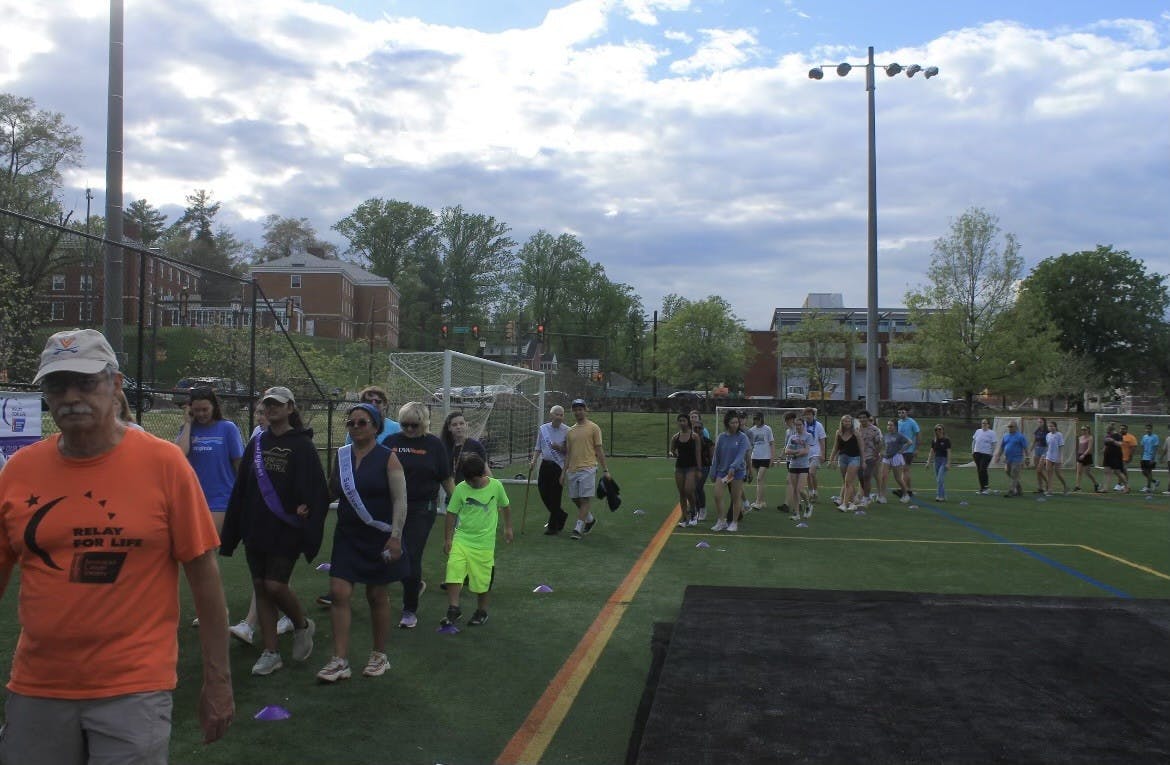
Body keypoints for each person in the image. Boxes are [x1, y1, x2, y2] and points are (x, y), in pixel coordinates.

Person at [0, 328, 233, 762]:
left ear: (116, 385)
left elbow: (204, 577)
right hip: (38, 685)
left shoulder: (164, 464)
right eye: (57, 384)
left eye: (86, 382)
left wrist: (217, 680)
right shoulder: (19, 471)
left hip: (134, 686)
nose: (71, 396)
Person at [221, 386, 329, 676]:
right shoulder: (257, 442)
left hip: (286, 527)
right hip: (256, 526)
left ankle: (302, 624)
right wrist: (234, 529)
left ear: (290, 408)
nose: (271, 409)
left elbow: (316, 489)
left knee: (275, 585)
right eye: (267, 405)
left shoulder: (303, 445)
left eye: (277, 405)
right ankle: (271, 652)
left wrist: (306, 508)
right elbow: (242, 488)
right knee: (260, 587)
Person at [315, 403, 408, 683]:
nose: (355, 427)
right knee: (339, 592)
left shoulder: (388, 458)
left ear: (376, 427)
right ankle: (339, 659)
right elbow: (332, 489)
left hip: (378, 536)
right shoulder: (342, 456)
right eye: (351, 423)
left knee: (376, 595)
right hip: (348, 534)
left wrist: (396, 537)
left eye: (362, 422)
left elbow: (400, 499)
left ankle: (379, 655)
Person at [384, 401, 455, 628]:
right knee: (386, 553)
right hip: (391, 506)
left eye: (414, 425)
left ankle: (409, 609)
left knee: (411, 555)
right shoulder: (391, 442)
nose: (409, 430)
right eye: (404, 425)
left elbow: (446, 477)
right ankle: (386, 595)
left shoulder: (434, 445)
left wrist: (456, 501)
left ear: (424, 423)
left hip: (421, 508)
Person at [440, 453, 513, 628]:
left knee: (482, 582)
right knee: (453, 569)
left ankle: (481, 611)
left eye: (474, 480)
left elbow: (506, 506)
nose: (472, 484)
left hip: (484, 544)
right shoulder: (461, 488)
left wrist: (508, 527)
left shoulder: (496, 486)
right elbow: (451, 514)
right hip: (462, 539)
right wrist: (448, 539)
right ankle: (453, 608)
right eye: (469, 481)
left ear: (483, 474)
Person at [176, 388, 245, 535]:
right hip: (192, 497)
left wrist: (243, 495)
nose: (201, 414)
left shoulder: (228, 428)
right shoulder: (187, 429)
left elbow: (239, 464)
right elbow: (179, 455)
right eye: (196, 410)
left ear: (214, 407)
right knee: (189, 550)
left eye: (205, 409)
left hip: (220, 499)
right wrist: (188, 424)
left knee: (205, 545)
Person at [563, 399, 612, 541]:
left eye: (580, 409)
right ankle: (590, 519)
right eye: (575, 409)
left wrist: (605, 469)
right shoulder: (570, 431)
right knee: (574, 498)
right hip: (572, 469)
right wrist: (563, 473)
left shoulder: (594, 428)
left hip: (589, 468)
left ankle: (578, 528)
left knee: (585, 499)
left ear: (586, 410)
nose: (578, 412)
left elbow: (599, 449)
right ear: (573, 411)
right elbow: (568, 453)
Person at [529, 405, 569, 535]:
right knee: (543, 491)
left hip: (558, 467)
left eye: (561, 415)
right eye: (556, 414)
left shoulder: (567, 431)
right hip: (545, 465)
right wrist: (534, 461)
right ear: (551, 415)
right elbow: (538, 447)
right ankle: (561, 514)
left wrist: (560, 448)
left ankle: (553, 527)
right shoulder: (543, 429)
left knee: (555, 496)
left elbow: (569, 452)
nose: (559, 417)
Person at [708, 410, 750, 532]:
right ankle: (721, 521)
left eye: (737, 422)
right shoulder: (721, 437)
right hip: (722, 472)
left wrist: (733, 467)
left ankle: (734, 522)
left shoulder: (742, 437)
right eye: (732, 422)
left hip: (737, 472)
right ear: (727, 423)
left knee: (735, 498)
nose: (735, 425)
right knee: (717, 495)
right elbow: (717, 455)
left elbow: (741, 454)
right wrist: (713, 471)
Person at [669, 413, 703, 527]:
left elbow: (698, 453)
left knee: (689, 490)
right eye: (679, 421)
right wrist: (673, 453)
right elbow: (672, 450)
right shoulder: (675, 437)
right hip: (679, 467)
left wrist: (699, 469)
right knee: (682, 493)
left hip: (691, 467)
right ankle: (684, 518)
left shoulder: (694, 436)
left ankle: (693, 512)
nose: (681, 423)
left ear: (688, 422)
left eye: (683, 420)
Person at [440, 410, 488, 486]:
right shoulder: (444, 447)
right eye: (454, 425)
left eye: (461, 423)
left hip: (472, 491)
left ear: (466, 425)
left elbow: (486, 473)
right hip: (452, 492)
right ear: (449, 428)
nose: (458, 427)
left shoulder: (476, 446)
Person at [782, 416, 816, 521]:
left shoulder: (808, 436)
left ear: (803, 425)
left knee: (800, 489)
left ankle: (808, 505)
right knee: (795, 491)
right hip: (793, 465)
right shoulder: (792, 437)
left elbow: (806, 451)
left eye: (799, 425)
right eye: (796, 425)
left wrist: (794, 453)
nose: (797, 427)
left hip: (803, 466)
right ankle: (796, 513)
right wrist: (796, 453)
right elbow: (786, 451)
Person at [827, 414, 863, 512]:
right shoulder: (838, 433)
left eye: (849, 421)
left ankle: (844, 504)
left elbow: (861, 448)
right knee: (846, 482)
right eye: (845, 421)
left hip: (854, 458)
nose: (847, 423)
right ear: (842, 422)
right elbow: (835, 447)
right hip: (843, 458)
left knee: (848, 482)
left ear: (851, 422)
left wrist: (863, 462)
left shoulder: (856, 433)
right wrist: (831, 460)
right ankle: (853, 501)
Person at [746, 411, 775, 510]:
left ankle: (758, 502)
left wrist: (772, 458)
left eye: (758, 419)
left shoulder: (767, 429)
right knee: (760, 480)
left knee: (759, 478)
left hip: (765, 457)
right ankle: (762, 501)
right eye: (755, 419)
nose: (756, 421)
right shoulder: (751, 430)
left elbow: (771, 443)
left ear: (761, 419)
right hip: (755, 457)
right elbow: (750, 446)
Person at [879, 420, 912, 504]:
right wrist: (881, 452)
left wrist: (902, 450)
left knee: (897, 478)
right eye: (888, 425)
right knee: (883, 477)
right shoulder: (886, 435)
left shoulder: (899, 435)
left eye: (891, 425)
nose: (889, 427)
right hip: (886, 458)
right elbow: (883, 446)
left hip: (896, 457)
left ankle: (905, 494)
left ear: (895, 426)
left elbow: (909, 442)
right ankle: (882, 497)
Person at [995, 420, 1030, 497]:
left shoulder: (1020, 436)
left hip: (1017, 459)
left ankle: (1011, 490)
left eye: (1011, 426)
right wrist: (998, 456)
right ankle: (1019, 489)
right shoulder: (1005, 436)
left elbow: (1026, 448)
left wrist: (1027, 458)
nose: (1009, 428)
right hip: (1008, 459)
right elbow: (1001, 447)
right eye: (1009, 426)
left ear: (1015, 427)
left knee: (1014, 474)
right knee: (1008, 472)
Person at [688, 410, 712, 521]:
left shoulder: (707, 441)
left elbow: (712, 456)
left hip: (704, 467)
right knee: (692, 489)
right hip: (692, 466)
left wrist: (713, 468)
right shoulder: (689, 439)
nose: (697, 430)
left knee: (698, 487)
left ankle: (702, 509)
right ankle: (696, 509)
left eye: (699, 428)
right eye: (695, 428)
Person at [856, 410, 883, 504]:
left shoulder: (874, 429)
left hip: (870, 456)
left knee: (867, 476)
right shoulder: (856, 429)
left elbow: (879, 443)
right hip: (858, 457)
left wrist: (876, 453)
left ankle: (866, 497)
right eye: (860, 418)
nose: (862, 419)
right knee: (860, 477)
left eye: (864, 417)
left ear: (868, 418)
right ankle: (867, 494)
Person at [802, 408, 827, 502]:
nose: (808, 416)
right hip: (805, 452)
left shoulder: (819, 425)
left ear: (813, 415)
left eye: (809, 414)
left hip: (816, 452)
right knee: (807, 474)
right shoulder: (802, 425)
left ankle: (815, 492)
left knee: (812, 472)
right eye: (806, 414)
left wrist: (823, 454)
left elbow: (822, 439)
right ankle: (810, 493)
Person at [896, 406, 920, 498]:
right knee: (905, 470)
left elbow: (918, 434)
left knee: (905, 470)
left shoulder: (912, 422)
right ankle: (909, 490)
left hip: (909, 450)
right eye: (899, 412)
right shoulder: (898, 423)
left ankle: (903, 489)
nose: (901, 414)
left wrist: (917, 449)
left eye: (902, 412)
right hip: (900, 450)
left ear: (907, 412)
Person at [926, 425, 952, 501]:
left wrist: (948, 463)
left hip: (944, 460)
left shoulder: (946, 440)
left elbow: (949, 452)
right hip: (936, 461)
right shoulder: (934, 440)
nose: (938, 431)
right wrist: (928, 462)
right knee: (939, 479)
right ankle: (943, 496)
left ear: (943, 430)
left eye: (940, 429)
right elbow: (931, 452)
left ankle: (939, 496)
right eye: (936, 429)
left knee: (940, 479)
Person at [971, 418, 997, 495]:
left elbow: (994, 444)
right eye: (982, 423)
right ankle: (982, 488)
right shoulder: (978, 431)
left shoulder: (992, 433)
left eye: (985, 423)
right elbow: (974, 441)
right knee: (979, 470)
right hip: (977, 453)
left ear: (988, 424)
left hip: (986, 454)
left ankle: (986, 487)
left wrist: (991, 453)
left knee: (983, 469)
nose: (984, 425)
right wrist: (973, 451)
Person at [1043, 420, 1069, 495]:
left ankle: (1065, 486)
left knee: (1058, 473)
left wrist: (1061, 457)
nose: (1051, 427)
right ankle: (1050, 489)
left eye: (1052, 426)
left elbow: (1061, 446)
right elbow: (1048, 446)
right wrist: (1045, 456)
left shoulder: (1059, 435)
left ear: (1055, 427)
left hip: (1057, 457)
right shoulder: (1047, 435)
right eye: (1049, 426)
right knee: (1049, 473)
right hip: (1049, 456)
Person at [1073, 425, 1102, 493]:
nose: (1083, 431)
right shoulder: (1080, 438)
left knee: (1087, 472)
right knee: (1079, 472)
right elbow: (1079, 447)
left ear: (1088, 430)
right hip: (1080, 455)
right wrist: (1078, 455)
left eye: (1085, 429)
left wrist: (1084, 455)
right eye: (1082, 429)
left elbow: (1089, 448)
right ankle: (1078, 486)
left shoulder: (1090, 438)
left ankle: (1096, 484)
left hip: (1087, 456)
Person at [1102, 423, 1129, 493]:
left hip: (1116, 455)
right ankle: (1105, 488)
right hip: (1107, 455)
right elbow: (1105, 444)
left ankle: (1126, 487)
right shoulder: (1107, 435)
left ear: (1111, 430)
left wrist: (1113, 441)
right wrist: (1104, 449)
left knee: (1117, 472)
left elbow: (1120, 444)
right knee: (1106, 471)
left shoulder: (1118, 435)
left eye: (1107, 430)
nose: (1107, 432)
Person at [1139, 423, 1160, 492]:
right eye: (1146, 429)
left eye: (1149, 429)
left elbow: (1155, 448)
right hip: (1144, 457)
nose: (1148, 430)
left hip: (1150, 457)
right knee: (1144, 471)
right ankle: (1154, 481)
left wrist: (1152, 458)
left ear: (1151, 429)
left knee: (1149, 471)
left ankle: (1148, 487)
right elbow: (1142, 447)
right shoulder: (1144, 437)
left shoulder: (1155, 437)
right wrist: (1141, 457)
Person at [1031, 417, 1049, 493]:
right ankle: (1040, 488)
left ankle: (1048, 483)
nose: (1039, 423)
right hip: (1037, 450)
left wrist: (1047, 451)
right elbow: (1035, 440)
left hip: (1044, 450)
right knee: (1037, 471)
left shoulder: (1047, 431)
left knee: (1040, 469)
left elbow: (1049, 442)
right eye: (1038, 422)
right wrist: (1030, 449)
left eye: (1041, 422)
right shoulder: (1037, 430)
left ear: (1044, 423)